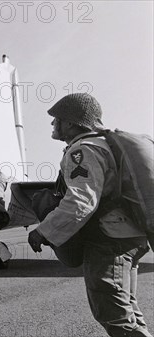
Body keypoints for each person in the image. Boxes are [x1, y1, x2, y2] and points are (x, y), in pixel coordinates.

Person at [28, 93, 151, 337]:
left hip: (109, 241)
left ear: (72, 122)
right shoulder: (106, 145)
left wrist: (43, 231)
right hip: (128, 237)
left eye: (57, 119)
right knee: (129, 314)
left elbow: (80, 201)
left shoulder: (83, 151)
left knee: (116, 318)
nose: (53, 124)